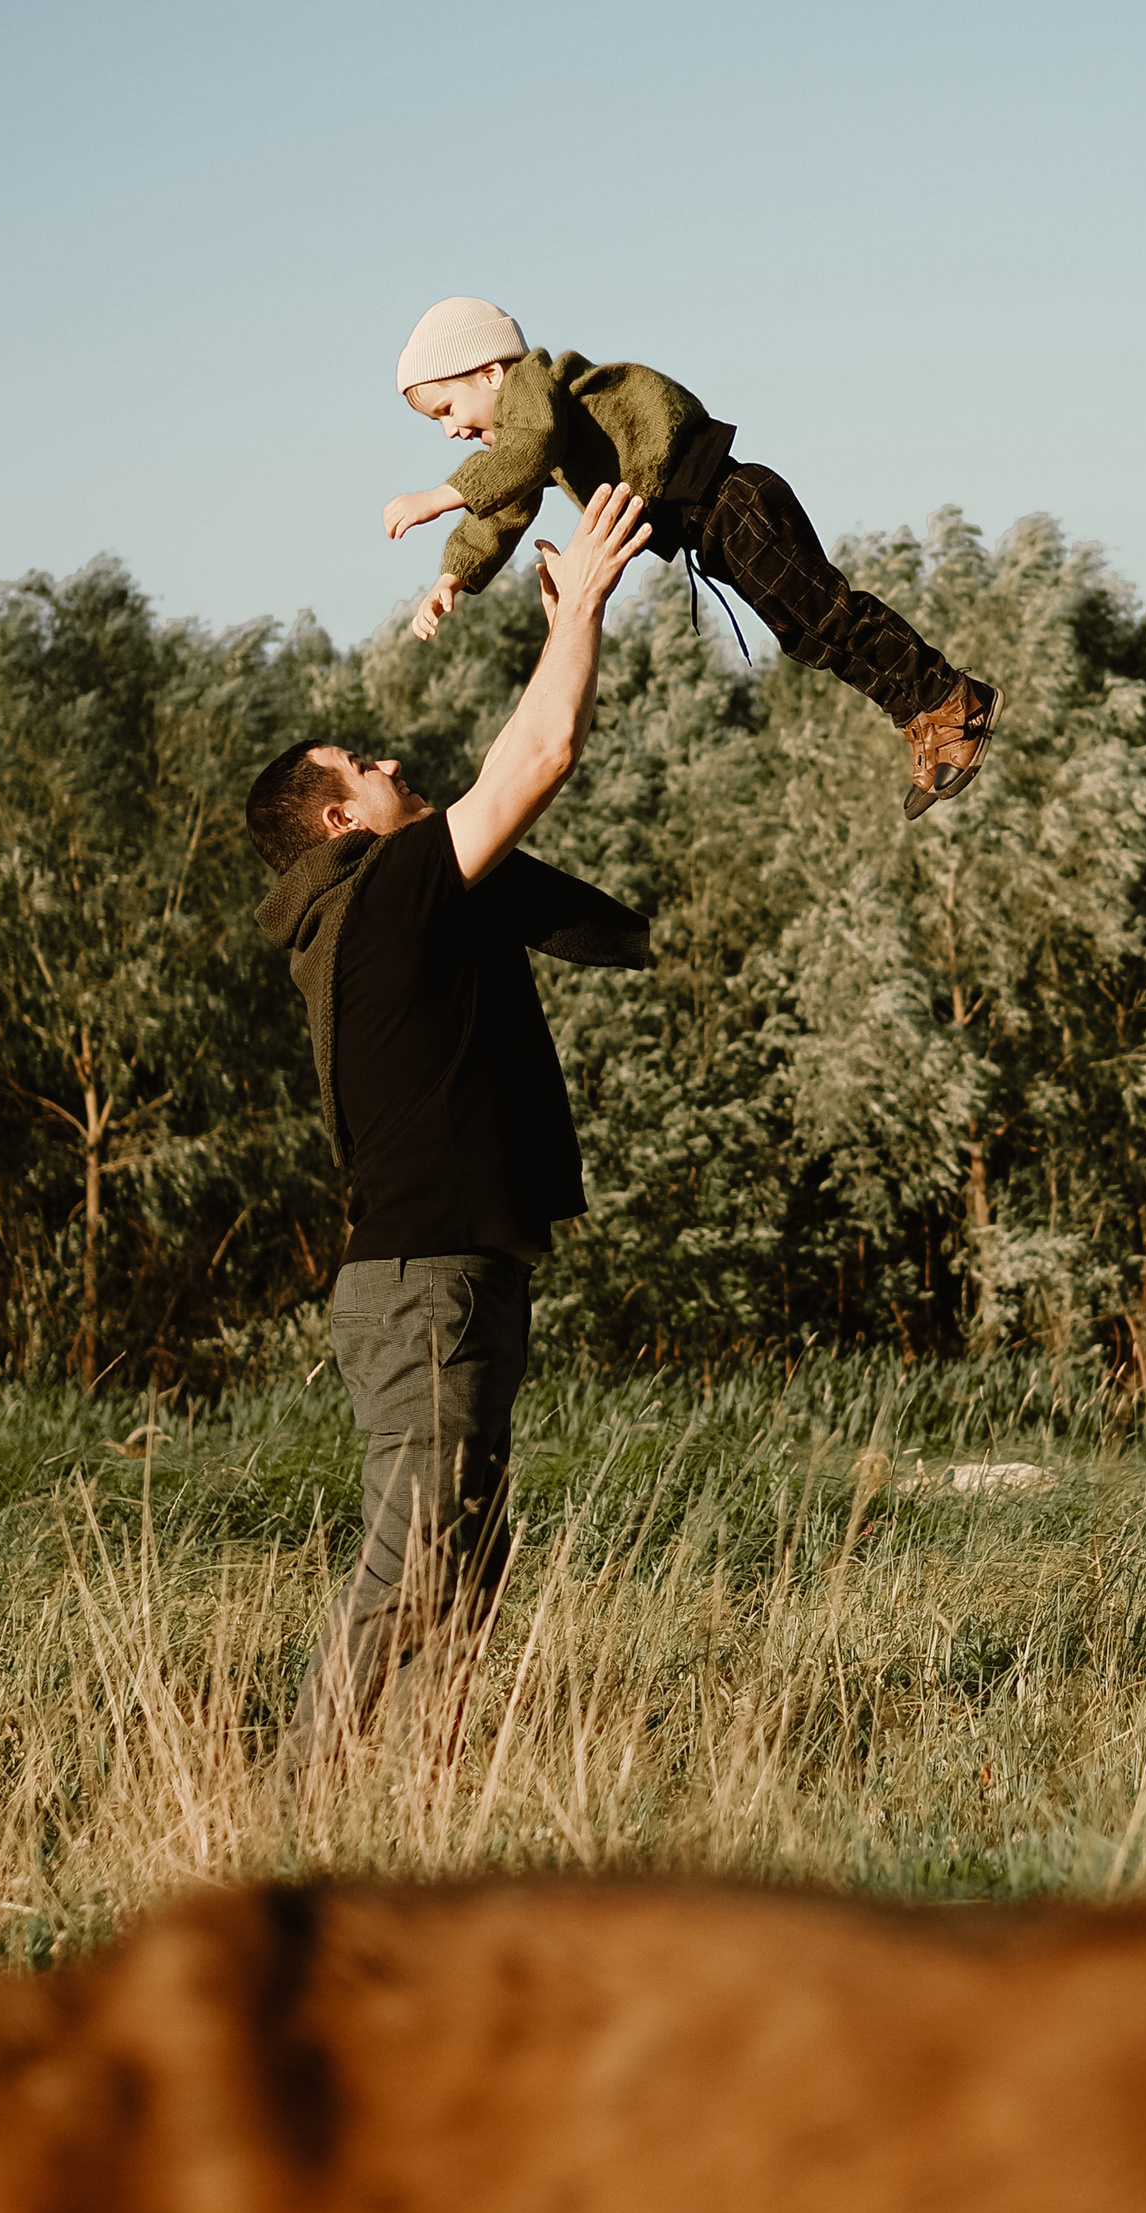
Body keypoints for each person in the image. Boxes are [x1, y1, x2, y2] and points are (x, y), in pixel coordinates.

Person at [245, 478, 655, 1774]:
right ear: (333, 820)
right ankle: (302, 1804)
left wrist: (562, 637)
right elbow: (537, 758)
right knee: (420, 1559)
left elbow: (531, 777)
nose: (391, 766)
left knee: (462, 1569)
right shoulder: (381, 895)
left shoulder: (397, 899)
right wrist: (581, 603)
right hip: (423, 1284)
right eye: (362, 768)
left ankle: (413, 1809)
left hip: (451, 1275)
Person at [381, 296, 999, 824]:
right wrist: (453, 575)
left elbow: (528, 446)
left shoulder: (538, 389)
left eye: (446, 410)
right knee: (807, 634)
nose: (450, 432)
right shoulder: (531, 432)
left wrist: (439, 496)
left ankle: (949, 696)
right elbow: (508, 497)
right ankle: (923, 712)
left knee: (826, 613)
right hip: (714, 526)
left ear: (490, 374)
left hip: (731, 502)